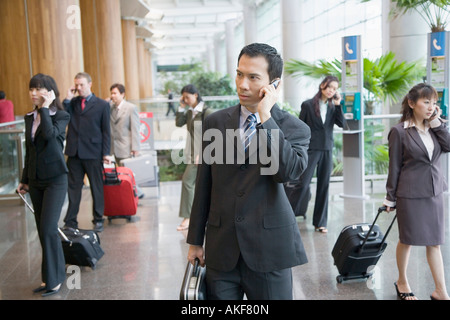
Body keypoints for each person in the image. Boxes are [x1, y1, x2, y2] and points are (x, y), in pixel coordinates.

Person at [186, 43, 311, 300]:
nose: (242, 84)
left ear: (273, 84)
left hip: (269, 251)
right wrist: (195, 240)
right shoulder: (215, 122)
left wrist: (266, 118)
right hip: (222, 251)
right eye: (239, 74)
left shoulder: (294, 128)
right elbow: (204, 185)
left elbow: (286, 172)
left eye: (253, 77)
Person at [384, 83, 450, 301]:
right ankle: (402, 280)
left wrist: (436, 123)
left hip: (434, 193)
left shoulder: (436, 127)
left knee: (435, 241)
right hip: (410, 194)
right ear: (412, 104)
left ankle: (441, 290)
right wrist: (390, 198)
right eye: (426, 101)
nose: (431, 106)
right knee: (408, 239)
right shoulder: (399, 131)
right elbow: (394, 167)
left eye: (433, 102)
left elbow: (448, 145)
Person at [17, 74, 70, 297]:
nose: (33, 93)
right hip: (36, 181)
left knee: (49, 229)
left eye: (38, 89)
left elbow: (49, 135)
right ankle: (50, 277)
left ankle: (54, 280)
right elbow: (30, 150)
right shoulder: (30, 117)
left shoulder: (61, 115)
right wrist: (24, 179)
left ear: (49, 92)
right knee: (43, 231)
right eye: (31, 89)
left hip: (56, 179)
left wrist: (47, 108)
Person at [288, 75, 345, 233]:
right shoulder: (307, 105)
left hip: (327, 148)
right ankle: (287, 217)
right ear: (322, 86)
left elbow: (341, 124)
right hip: (311, 149)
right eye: (329, 87)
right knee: (303, 183)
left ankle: (320, 222)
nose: (331, 91)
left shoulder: (333, 106)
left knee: (324, 186)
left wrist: (339, 105)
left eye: (334, 88)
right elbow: (301, 127)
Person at [63, 72, 111, 232]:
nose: (79, 88)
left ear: (90, 84)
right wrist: (68, 98)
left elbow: (106, 131)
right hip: (74, 152)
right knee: (73, 188)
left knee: (96, 187)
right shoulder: (73, 103)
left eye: (82, 84)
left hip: (93, 152)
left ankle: (98, 219)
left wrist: (106, 153)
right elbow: (63, 116)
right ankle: (70, 221)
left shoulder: (102, 105)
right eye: (76, 85)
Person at [175, 84, 213, 231]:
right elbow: (179, 123)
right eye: (183, 97)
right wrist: (181, 106)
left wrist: (203, 153)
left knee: (187, 182)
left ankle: (188, 217)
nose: (185, 100)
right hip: (191, 154)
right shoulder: (191, 112)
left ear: (196, 95)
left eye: (187, 97)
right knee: (198, 185)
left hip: (201, 155)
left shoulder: (206, 112)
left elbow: (212, 135)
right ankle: (199, 216)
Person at [109, 83, 144, 198]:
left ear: (122, 94)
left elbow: (135, 129)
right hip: (115, 147)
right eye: (111, 93)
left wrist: (135, 148)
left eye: (115, 93)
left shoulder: (130, 108)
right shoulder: (111, 108)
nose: (112, 96)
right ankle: (131, 194)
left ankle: (136, 193)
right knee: (121, 173)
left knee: (126, 173)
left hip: (126, 146)